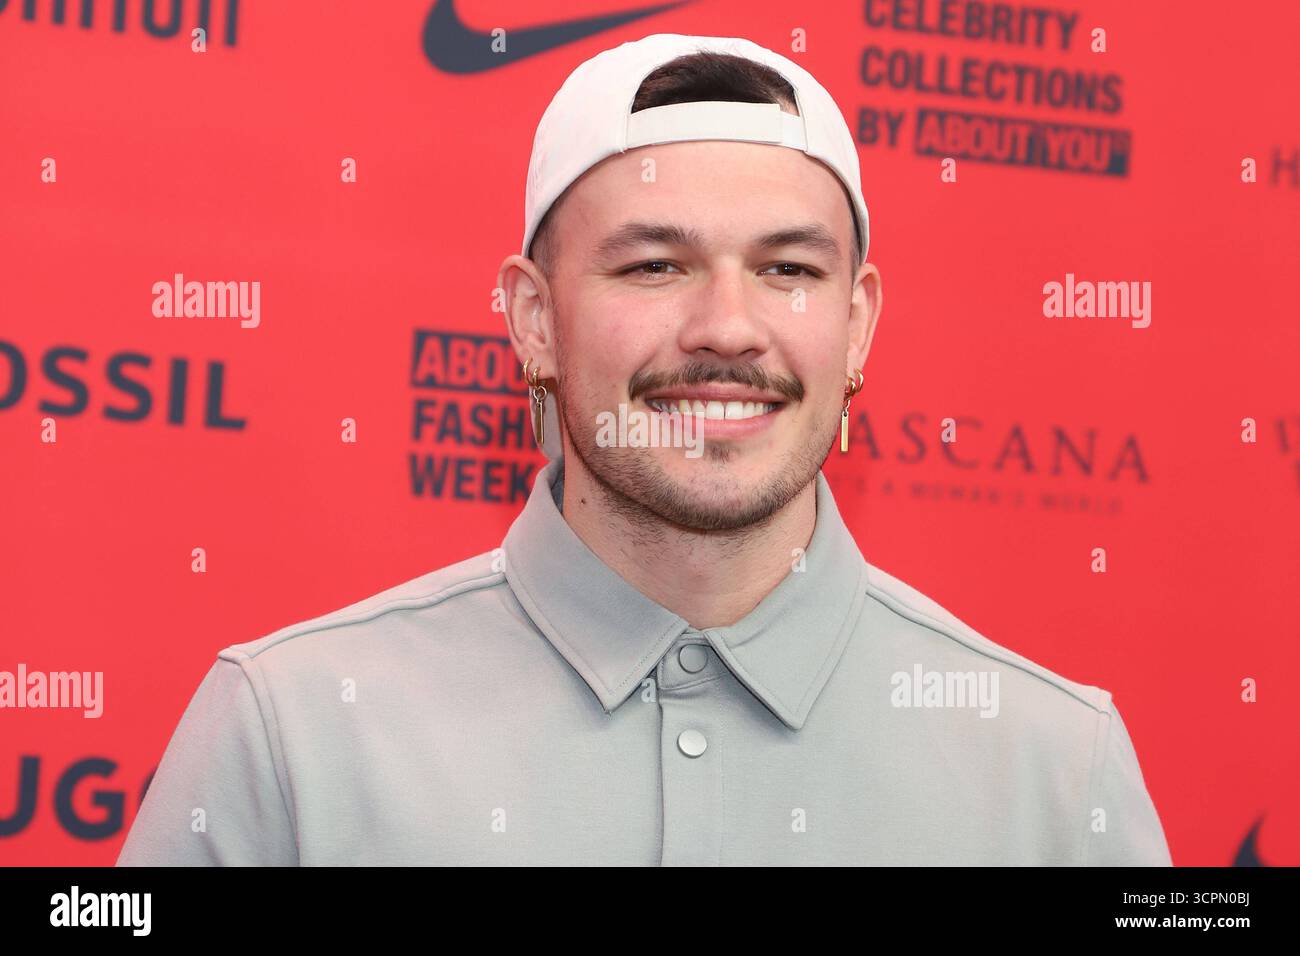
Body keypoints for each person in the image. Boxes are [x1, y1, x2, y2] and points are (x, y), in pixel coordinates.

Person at [117, 32, 1171, 866]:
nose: (727, 328)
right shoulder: (292, 734)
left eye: (788, 270)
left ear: (855, 326)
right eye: (655, 265)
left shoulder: (1052, 767)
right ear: (534, 319)